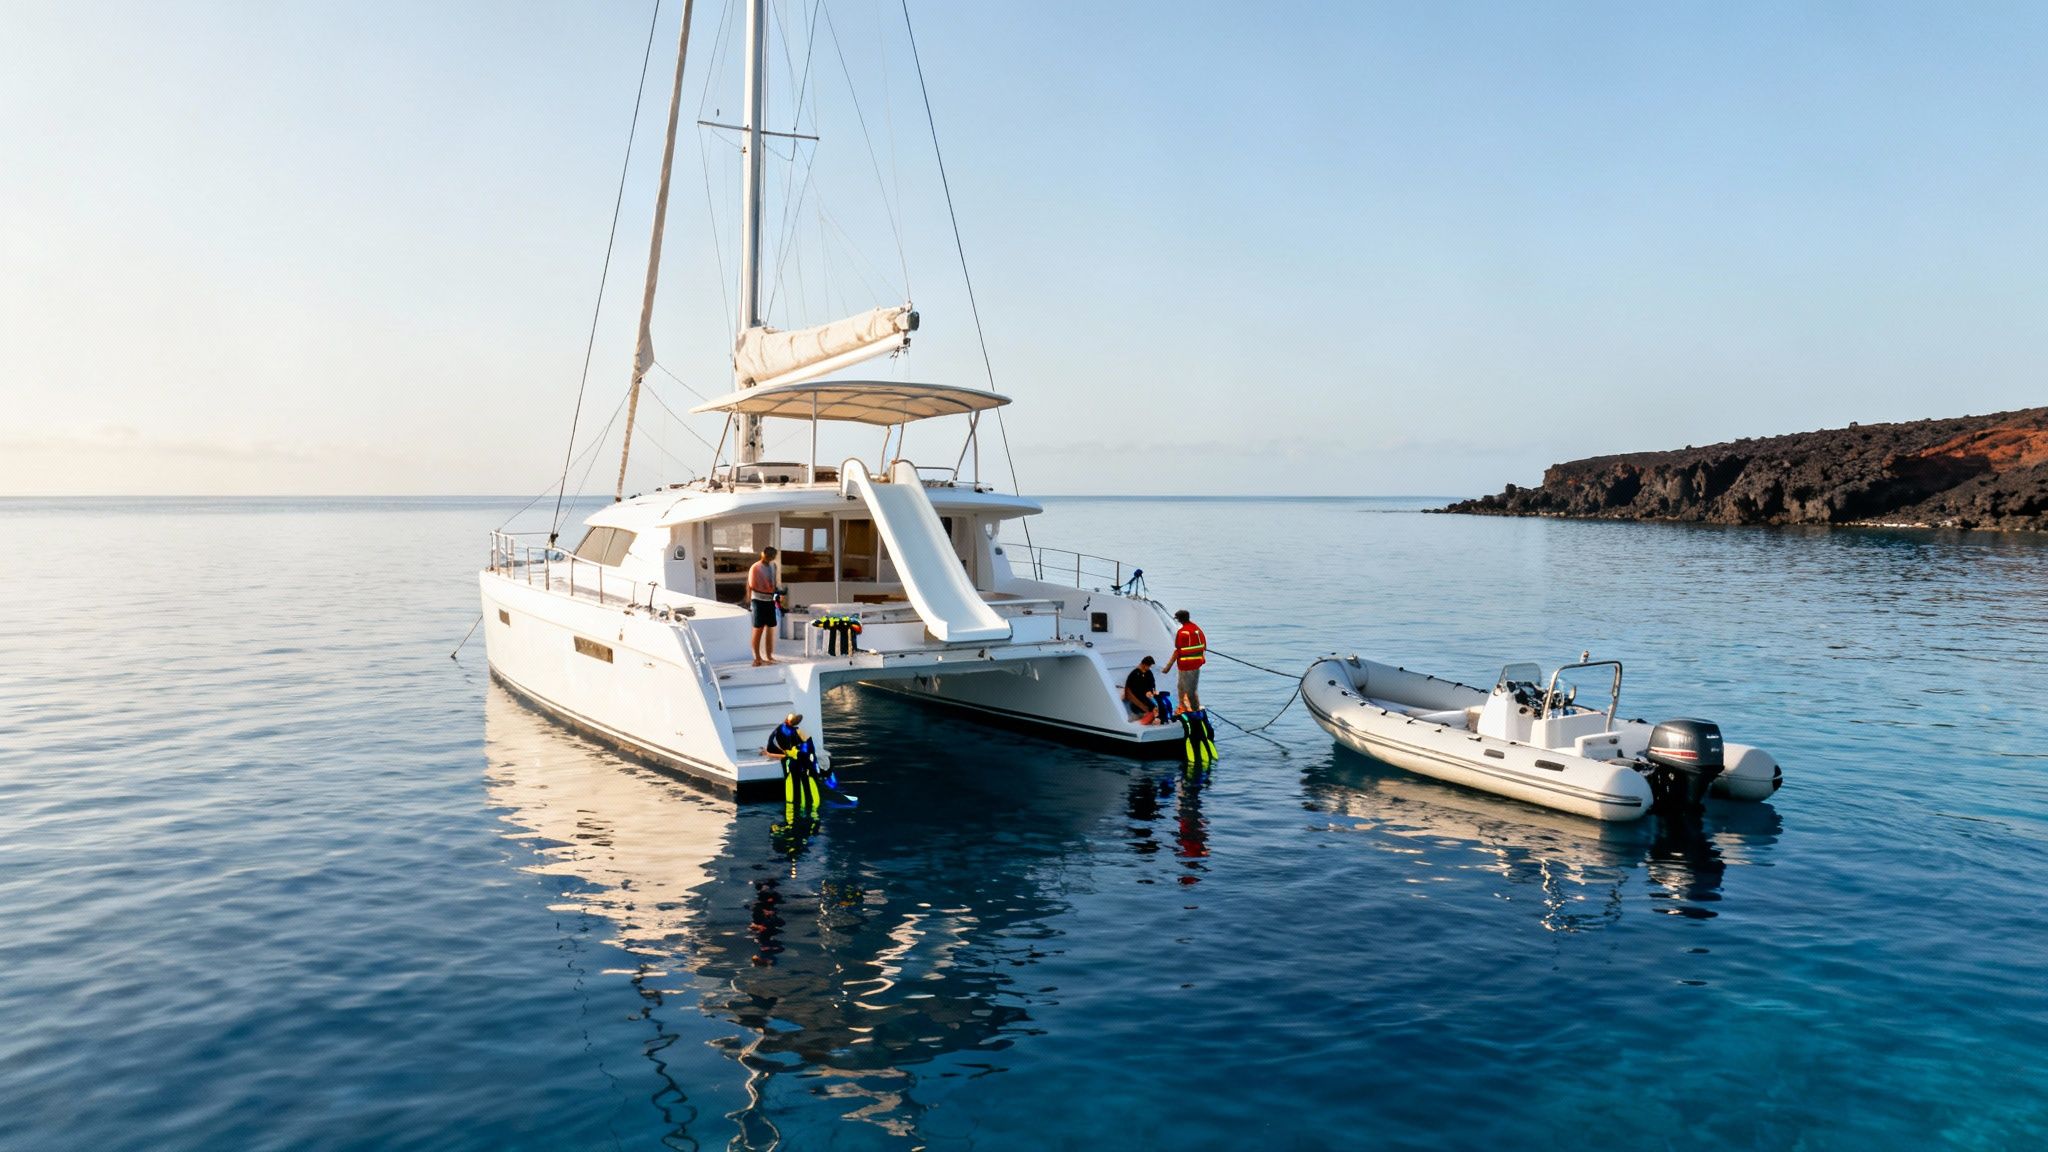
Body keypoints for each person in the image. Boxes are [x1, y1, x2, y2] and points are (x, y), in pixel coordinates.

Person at [1162, 609, 1206, 712]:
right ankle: (1183, 707)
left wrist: (1167, 667)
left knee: (1188, 691)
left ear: (1180, 619)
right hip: (1195, 665)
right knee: (1182, 688)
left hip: (1187, 666)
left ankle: (1194, 711)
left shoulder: (1182, 632)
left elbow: (1178, 651)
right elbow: (1203, 647)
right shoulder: (1197, 629)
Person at [747, 545, 780, 666]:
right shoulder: (756, 567)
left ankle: (769, 655)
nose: (770, 558)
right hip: (758, 600)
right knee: (758, 628)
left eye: (772, 556)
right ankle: (757, 657)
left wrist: (775, 592)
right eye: (769, 555)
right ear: (763, 554)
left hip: (769, 600)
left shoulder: (773, 566)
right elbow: (752, 585)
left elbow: (774, 581)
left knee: (770, 628)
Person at [1122, 656, 1162, 724]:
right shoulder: (1134, 674)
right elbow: (1128, 691)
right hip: (1135, 699)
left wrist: (1151, 691)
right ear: (1144, 664)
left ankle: (1150, 719)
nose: (1149, 667)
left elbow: (1152, 684)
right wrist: (1142, 705)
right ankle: (1139, 721)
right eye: (1148, 665)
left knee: (1156, 707)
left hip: (1146, 697)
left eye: (1150, 666)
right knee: (1149, 708)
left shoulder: (1149, 673)